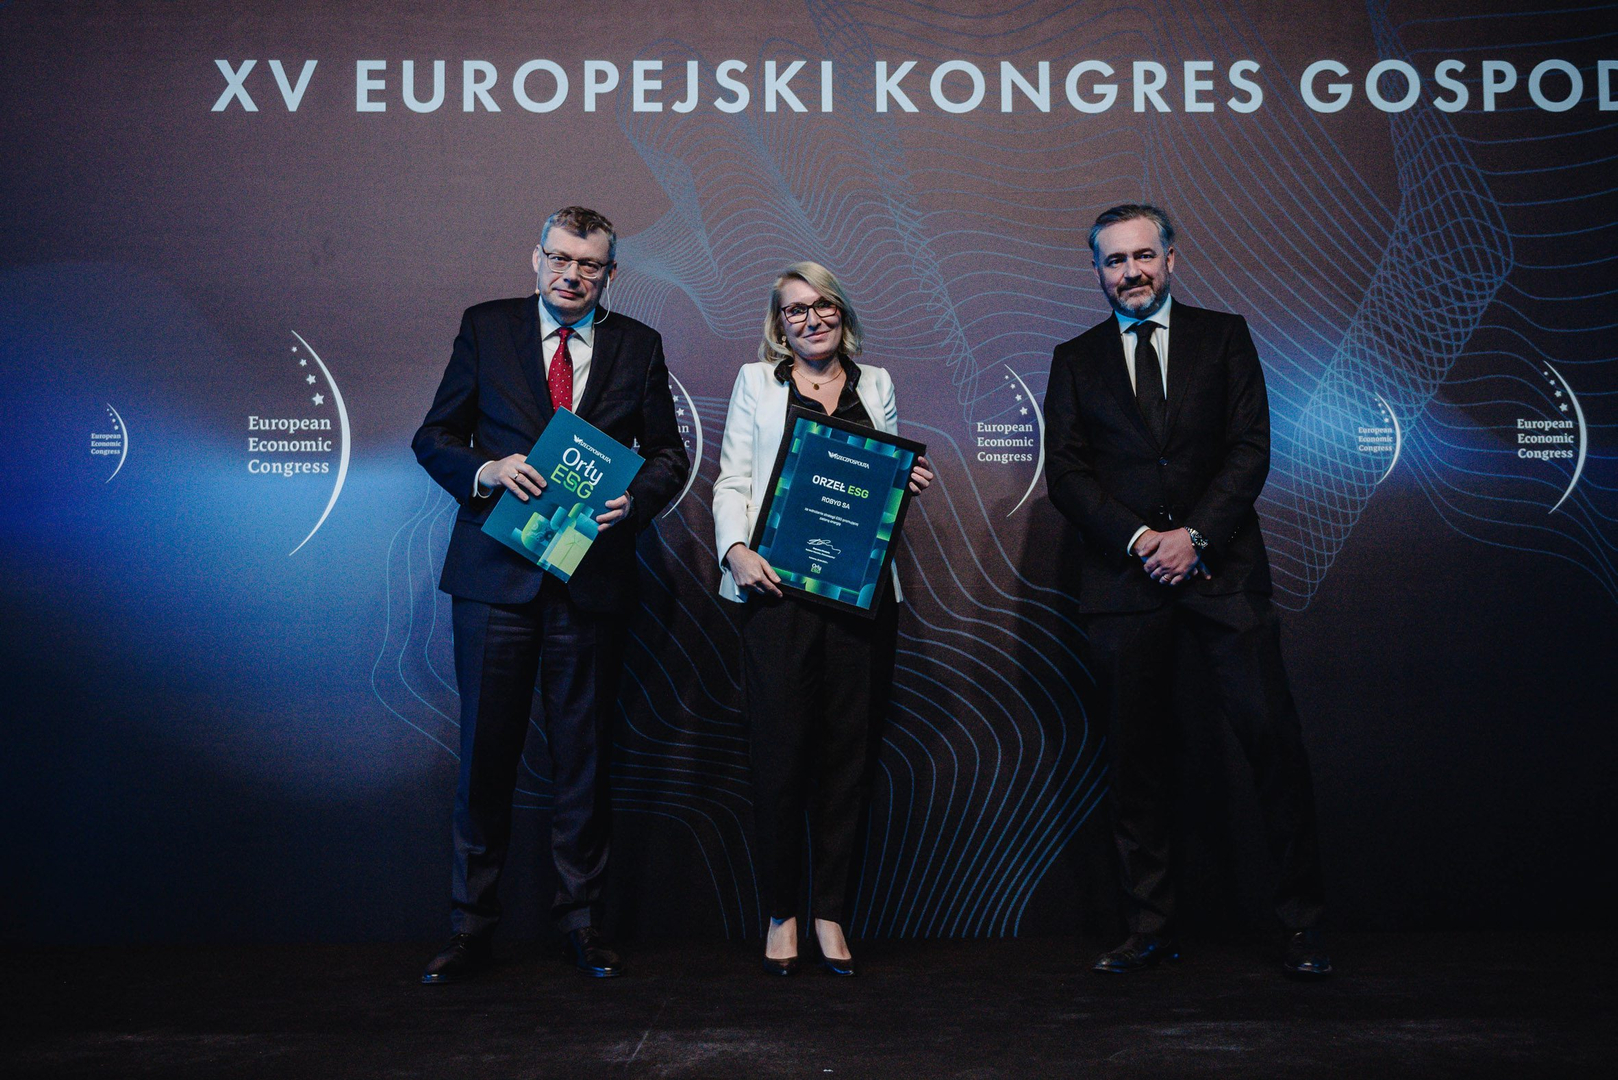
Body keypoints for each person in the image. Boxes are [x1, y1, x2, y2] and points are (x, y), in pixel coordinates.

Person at [1043, 204, 1331, 979]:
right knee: (1135, 761)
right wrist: (1143, 541)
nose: (1130, 272)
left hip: (1223, 576)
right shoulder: (1075, 359)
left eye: (1143, 255)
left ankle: (1303, 927)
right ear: (1096, 271)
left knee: (1272, 744)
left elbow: (1250, 449)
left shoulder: (1224, 337)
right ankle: (1150, 928)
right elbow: (1066, 472)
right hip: (1123, 584)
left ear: (1171, 259)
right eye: (1114, 261)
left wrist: (1194, 537)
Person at [413, 206, 690, 983]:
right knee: (484, 760)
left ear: (610, 274)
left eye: (589, 264)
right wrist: (487, 470)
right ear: (535, 258)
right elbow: (434, 437)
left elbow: (667, 453)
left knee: (584, 759)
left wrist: (637, 500)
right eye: (561, 258)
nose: (573, 274)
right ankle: (470, 929)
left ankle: (584, 924)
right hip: (494, 575)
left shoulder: (639, 345)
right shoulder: (486, 327)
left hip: (589, 576)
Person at [713, 263, 932, 976]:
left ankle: (831, 913)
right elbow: (734, 479)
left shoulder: (877, 383)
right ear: (779, 324)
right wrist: (736, 550)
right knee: (779, 760)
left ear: (842, 312)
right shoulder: (756, 382)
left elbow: (878, 491)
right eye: (795, 310)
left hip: (860, 602)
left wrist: (903, 483)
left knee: (848, 761)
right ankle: (782, 913)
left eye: (823, 305)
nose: (811, 319)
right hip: (777, 595)